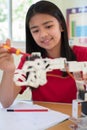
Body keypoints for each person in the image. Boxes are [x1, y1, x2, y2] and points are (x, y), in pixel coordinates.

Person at [0, 0, 87, 108]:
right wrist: (9, 71)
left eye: (48, 26)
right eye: (36, 31)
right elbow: (5, 102)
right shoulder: (30, 61)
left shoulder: (84, 55)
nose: (43, 35)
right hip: (43, 121)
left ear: (61, 26)